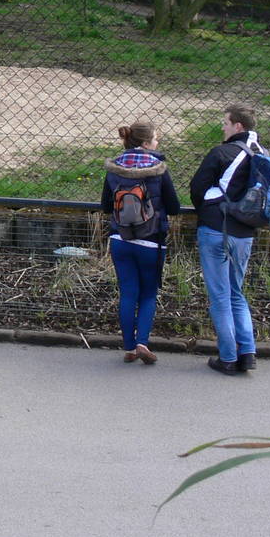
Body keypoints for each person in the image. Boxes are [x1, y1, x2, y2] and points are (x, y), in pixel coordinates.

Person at [189, 105, 264, 376]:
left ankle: (228, 358)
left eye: (226, 123)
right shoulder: (263, 155)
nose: (223, 127)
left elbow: (197, 188)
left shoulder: (222, 153)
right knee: (236, 293)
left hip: (215, 229)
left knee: (220, 295)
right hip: (245, 234)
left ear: (238, 127)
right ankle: (248, 353)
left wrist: (206, 211)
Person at [100, 121, 181, 364]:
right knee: (148, 294)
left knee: (127, 293)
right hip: (151, 241)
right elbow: (174, 207)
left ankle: (128, 346)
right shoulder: (158, 168)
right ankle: (142, 342)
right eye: (155, 139)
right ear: (146, 143)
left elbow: (105, 206)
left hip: (120, 239)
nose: (157, 143)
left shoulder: (114, 168)